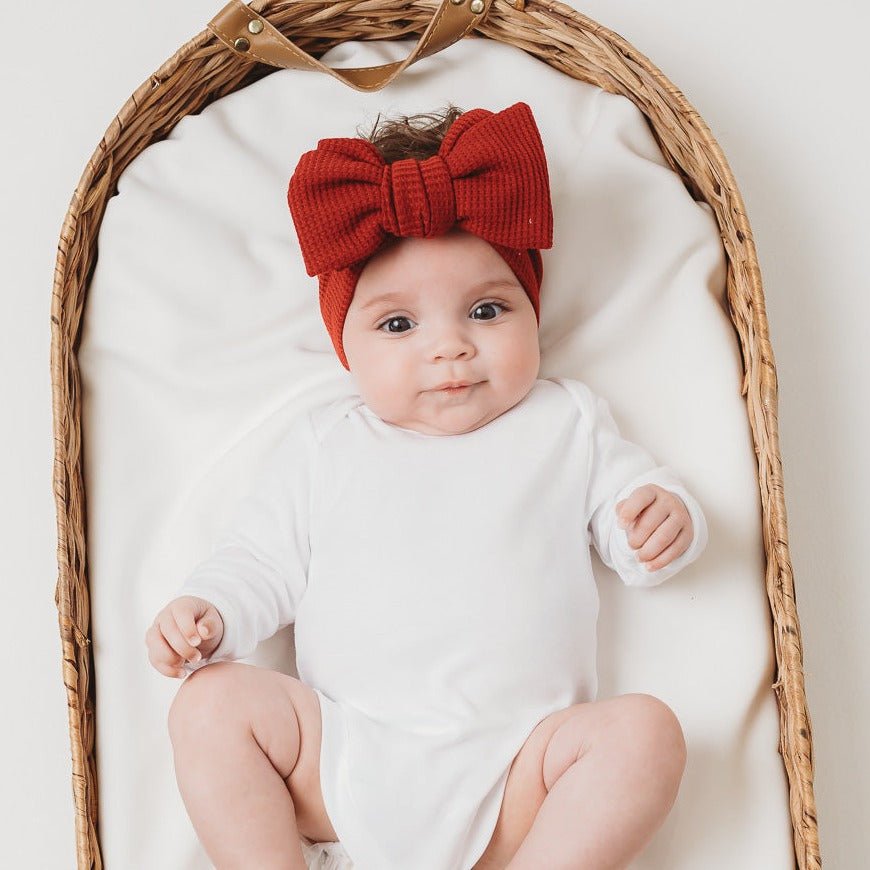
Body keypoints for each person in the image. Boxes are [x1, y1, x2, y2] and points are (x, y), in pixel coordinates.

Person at [146, 101, 709, 870]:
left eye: (486, 310)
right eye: (398, 325)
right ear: (344, 343)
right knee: (210, 704)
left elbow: (632, 518)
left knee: (644, 734)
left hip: (520, 774)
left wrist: (660, 521)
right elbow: (260, 560)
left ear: (532, 311)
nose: (450, 348)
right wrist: (208, 610)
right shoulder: (326, 444)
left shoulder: (565, 421)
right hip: (346, 761)